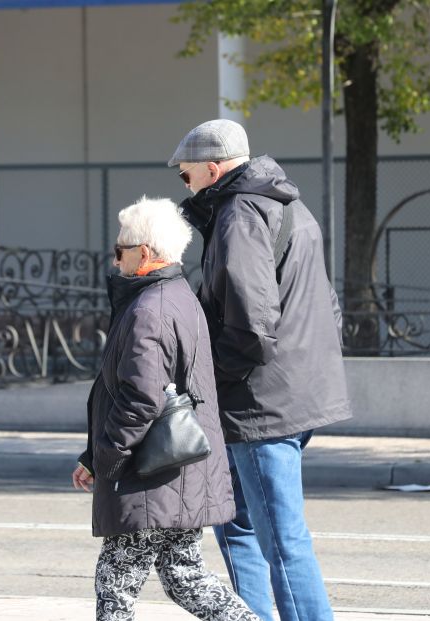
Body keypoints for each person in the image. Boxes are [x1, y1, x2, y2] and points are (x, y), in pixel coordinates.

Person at [169, 119, 352, 621]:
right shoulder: (287, 202)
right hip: (294, 392)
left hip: (259, 403)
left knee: (278, 538)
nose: (185, 185)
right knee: (239, 525)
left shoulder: (240, 213)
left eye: (186, 177)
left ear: (212, 168)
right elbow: (327, 306)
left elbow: (251, 325)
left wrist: (209, 381)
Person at [72, 197, 259, 621]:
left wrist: (107, 457)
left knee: (116, 585)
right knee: (184, 575)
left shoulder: (148, 310)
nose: (115, 256)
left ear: (147, 253)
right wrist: (93, 455)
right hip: (175, 468)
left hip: (150, 474)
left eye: (122, 248)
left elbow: (141, 397)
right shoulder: (175, 295)